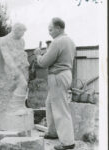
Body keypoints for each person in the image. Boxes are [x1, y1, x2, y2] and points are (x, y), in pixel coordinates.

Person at [34, 17, 76, 150]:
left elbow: (44, 62)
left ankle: (68, 142)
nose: (49, 32)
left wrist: (38, 55)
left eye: (51, 29)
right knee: (49, 103)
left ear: (58, 28)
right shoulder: (70, 41)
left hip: (57, 76)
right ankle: (53, 132)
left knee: (60, 108)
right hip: (64, 74)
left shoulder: (57, 42)